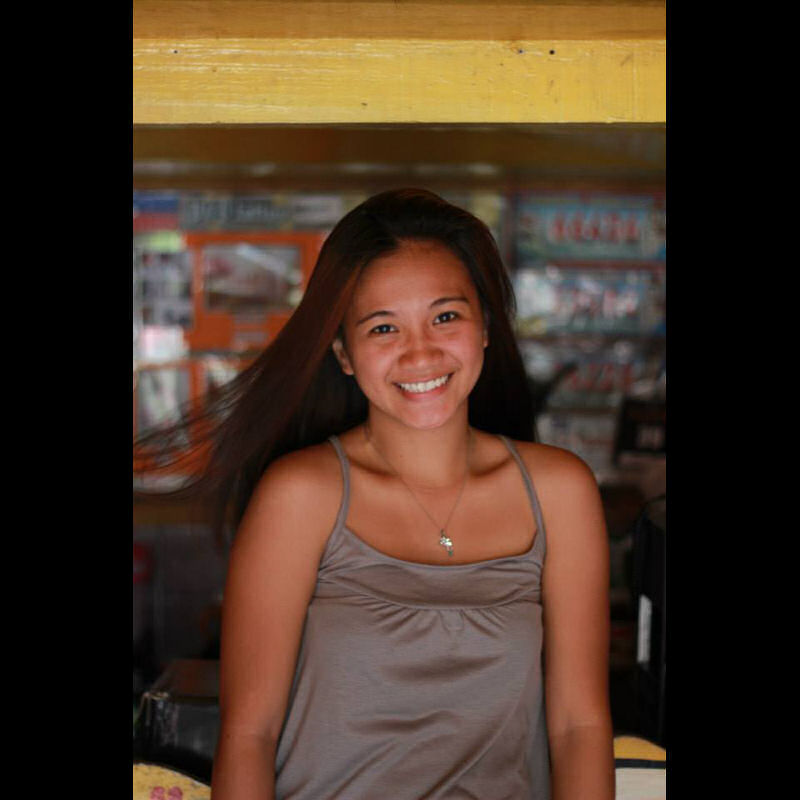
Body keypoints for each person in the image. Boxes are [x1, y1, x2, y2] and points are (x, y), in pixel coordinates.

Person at [137, 188, 614, 799]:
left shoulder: (559, 493)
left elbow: (580, 728)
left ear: (486, 328)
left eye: (446, 317)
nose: (421, 352)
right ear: (344, 353)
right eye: (384, 327)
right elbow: (250, 735)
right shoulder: (301, 497)